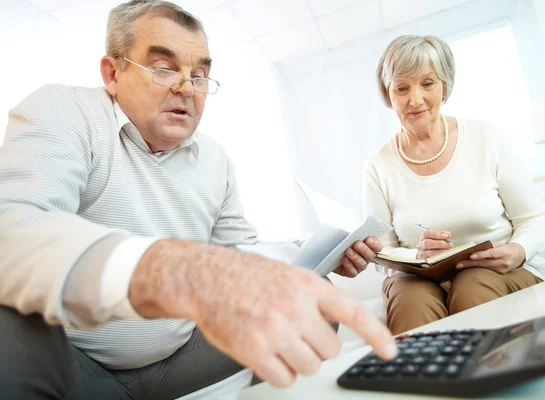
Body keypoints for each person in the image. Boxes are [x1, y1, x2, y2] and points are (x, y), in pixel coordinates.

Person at [0, 1, 398, 398]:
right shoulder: (66, 112)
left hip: (182, 357)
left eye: (200, 74)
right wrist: (177, 270)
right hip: (79, 365)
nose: (186, 87)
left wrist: (317, 255)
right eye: (164, 68)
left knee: (308, 299)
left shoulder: (215, 159)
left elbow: (237, 253)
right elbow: (13, 234)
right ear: (113, 73)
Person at [364, 35, 545, 335]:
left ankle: (494, 379)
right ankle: (425, 383)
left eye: (427, 83)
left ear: (444, 85)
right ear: (388, 94)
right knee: (411, 300)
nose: (415, 100)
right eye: (402, 88)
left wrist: (518, 250)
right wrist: (419, 256)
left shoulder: (486, 137)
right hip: (418, 279)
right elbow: (383, 253)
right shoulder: (378, 164)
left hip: (498, 271)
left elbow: (536, 218)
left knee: (472, 286)